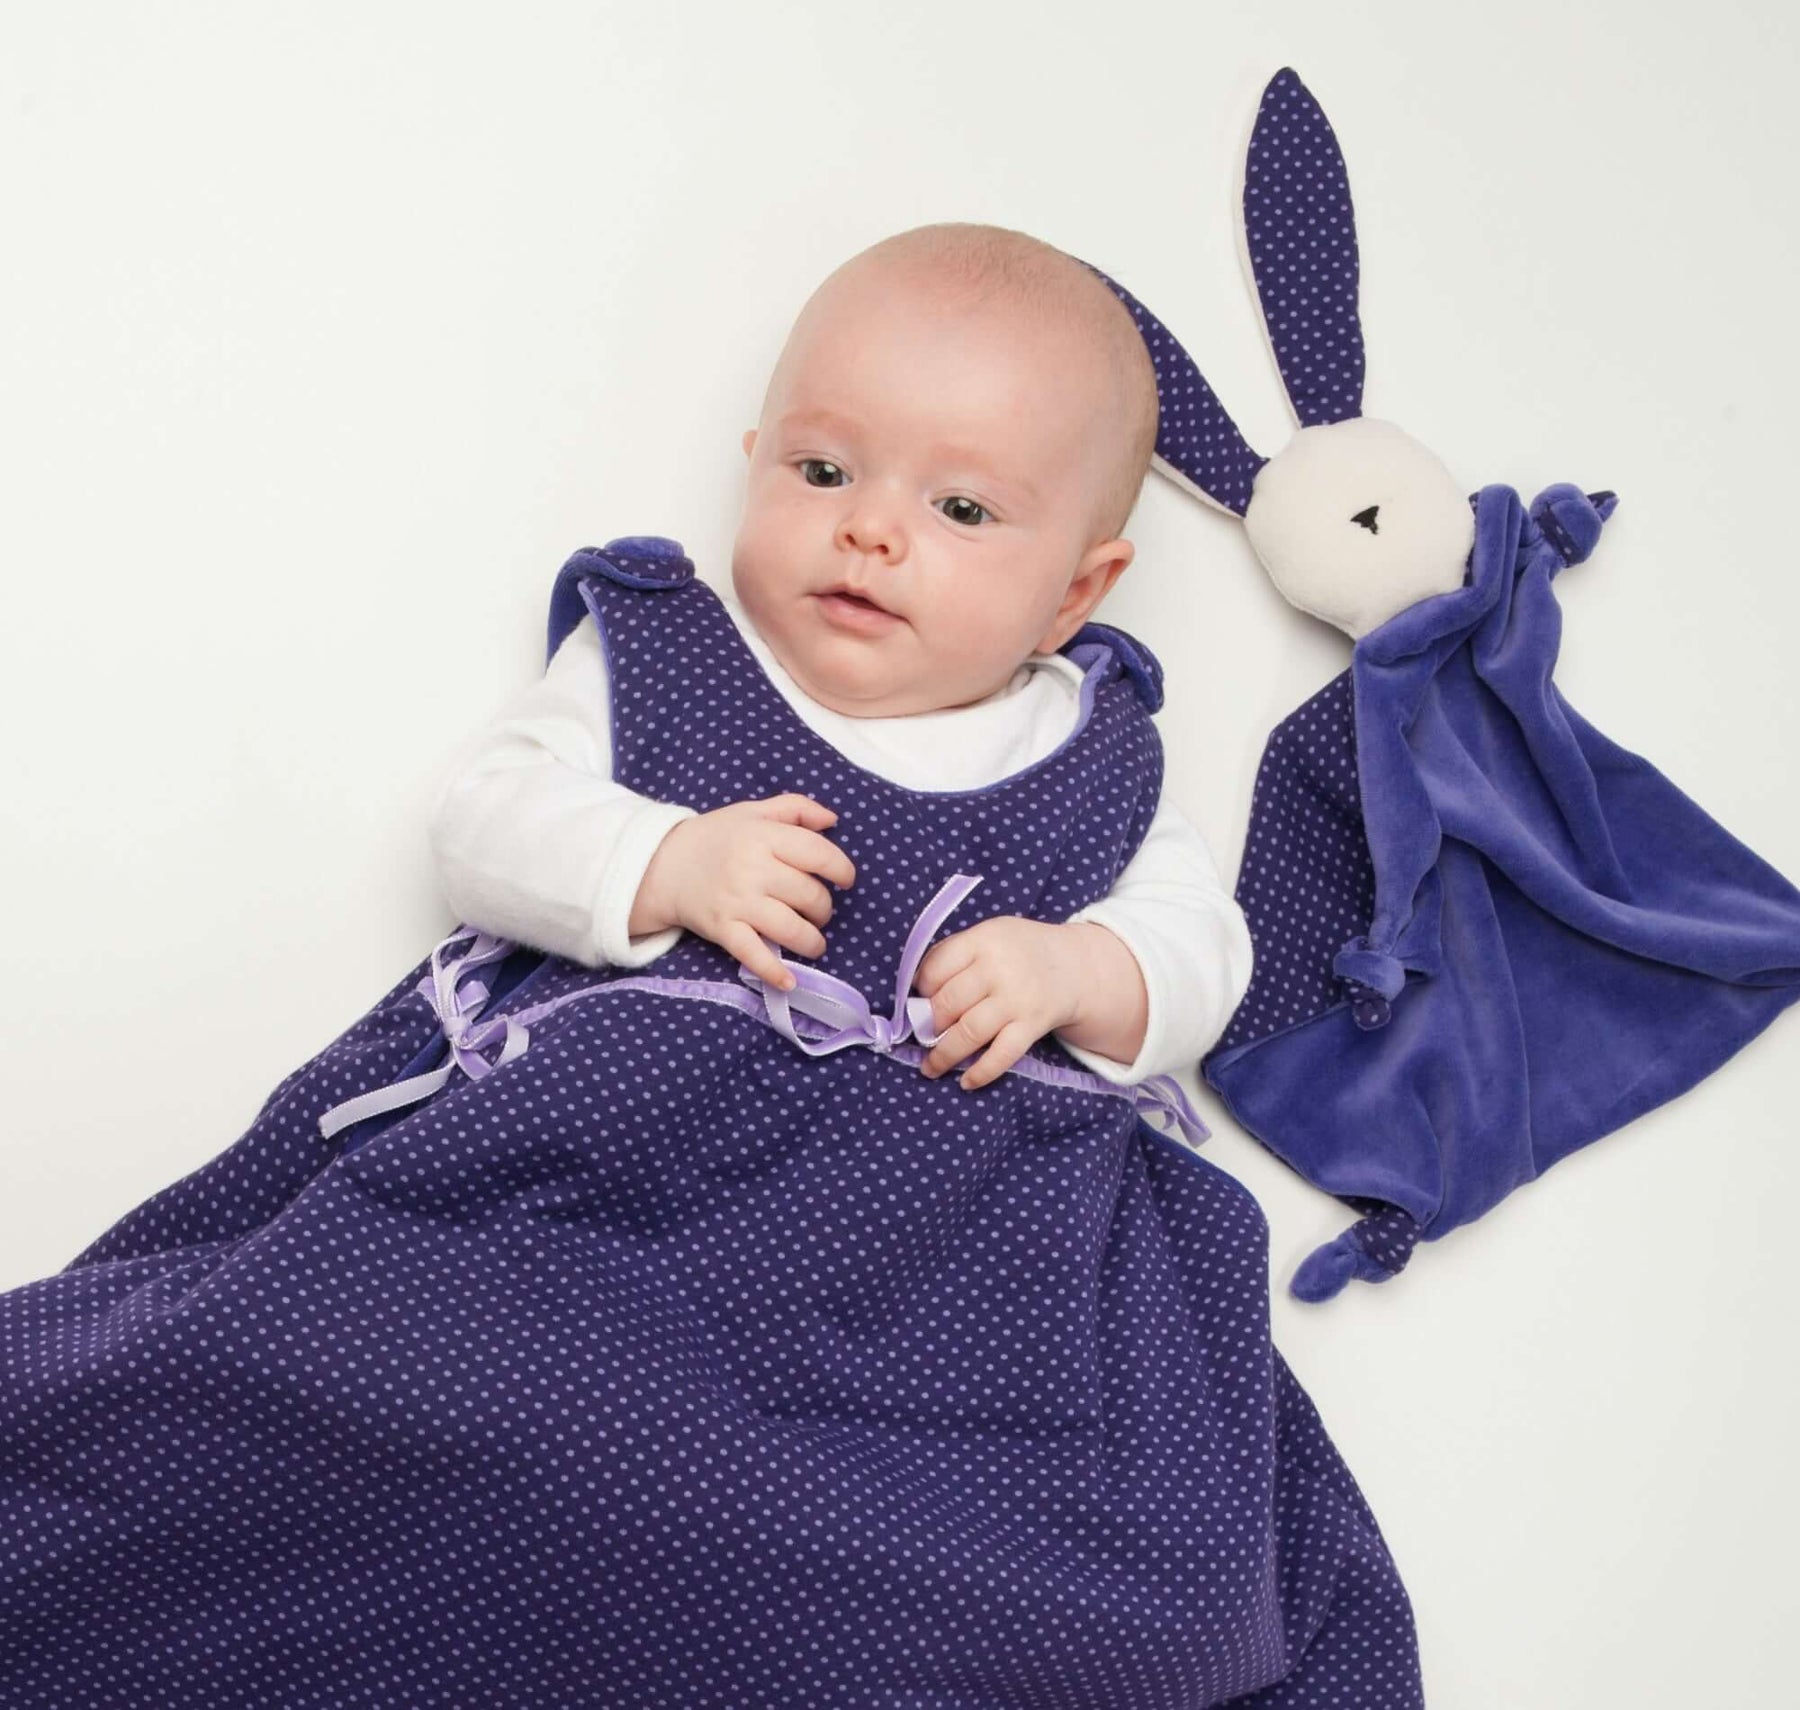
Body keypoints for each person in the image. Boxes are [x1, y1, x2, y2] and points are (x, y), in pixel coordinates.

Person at [0, 222, 1424, 1707]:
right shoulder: (664, 653)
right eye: (823, 470)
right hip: (606, 1200)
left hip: (957, 1274)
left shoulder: (1095, 757)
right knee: (399, 1393)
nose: (870, 531)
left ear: (1078, 590)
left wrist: (1082, 970)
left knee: (1069, 1573)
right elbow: (488, 818)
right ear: (755, 465)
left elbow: (1204, 955)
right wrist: (662, 864)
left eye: (959, 506)